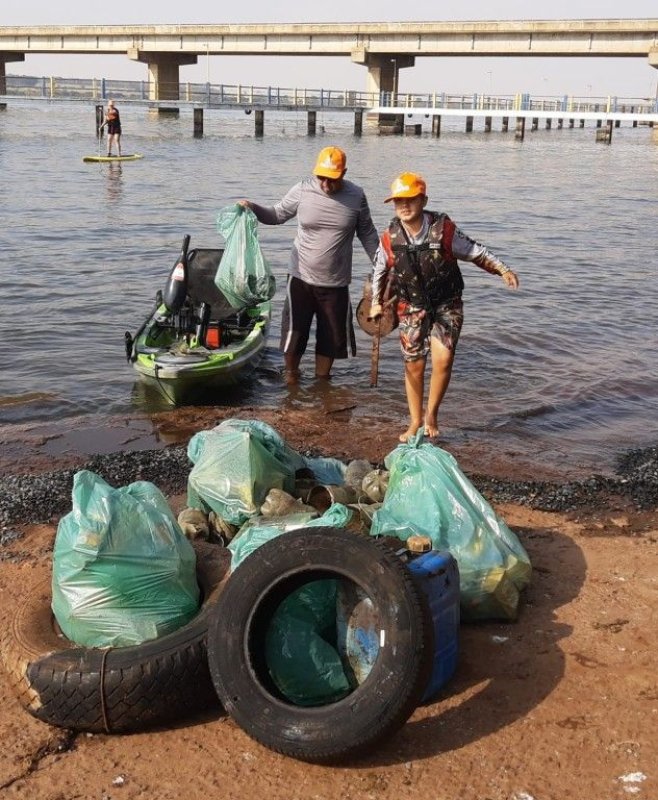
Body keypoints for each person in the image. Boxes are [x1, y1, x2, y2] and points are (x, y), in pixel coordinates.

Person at [369, 172, 519, 443]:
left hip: (446, 304)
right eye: (398, 201)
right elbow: (379, 271)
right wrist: (376, 304)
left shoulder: (444, 230)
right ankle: (415, 420)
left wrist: (502, 269)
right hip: (411, 305)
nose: (404, 206)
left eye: (410, 200)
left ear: (423, 200)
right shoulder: (389, 238)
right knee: (413, 365)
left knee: (443, 359)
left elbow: (476, 252)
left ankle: (432, 415)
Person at [239, 146, 379, 384]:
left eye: (332, 179)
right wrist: (252, 207)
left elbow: (367, 233)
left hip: (335, 283)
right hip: (300, 278)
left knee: (330, 339)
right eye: (321, 177)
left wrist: (383, 266)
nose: (325, 184)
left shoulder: (356, 196)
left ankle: (322, 384)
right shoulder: (303, 189)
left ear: (343, 173)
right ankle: (291, 380)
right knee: (294, 335)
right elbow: (277, 214)